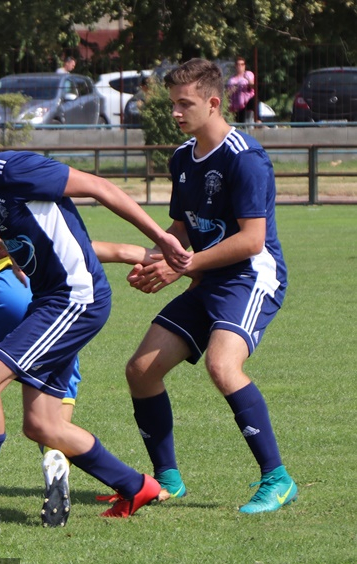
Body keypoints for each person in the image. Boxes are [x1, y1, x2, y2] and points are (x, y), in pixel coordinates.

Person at [0, 121, 192, 524]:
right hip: (51, 300)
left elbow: (100, 187)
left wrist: (160, 238)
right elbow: (40, 233)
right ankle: (137, 487)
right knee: (42, 424)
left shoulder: (16, 170)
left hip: (74, 298)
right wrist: (21, 254)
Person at [0, 210, 160, 526]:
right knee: (42, 422)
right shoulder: (33, 234)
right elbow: (84, 248)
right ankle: (130, 484)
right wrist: (142, 254)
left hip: (9, 296)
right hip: (57, 307)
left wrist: (7, 244)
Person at [125, 58, 297, 514]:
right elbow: (182, 228)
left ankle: (277, 479)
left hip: (251, 276)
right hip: (206, 277)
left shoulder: (245, 158)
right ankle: (167, 479)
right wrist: (157, 260)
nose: (175, 112)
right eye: (173, 103)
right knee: (141, 371)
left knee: (222, 365)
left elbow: (252, 240)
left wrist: (181, 267)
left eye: (185, 103)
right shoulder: (182, 158)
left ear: (214, 103)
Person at [226, 56, 255, 123]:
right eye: (238, 64)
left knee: (254, 101)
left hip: (247, 102)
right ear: (235, 66)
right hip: (236, 105)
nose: (240, 66)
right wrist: (233, 89)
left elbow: (253, 86)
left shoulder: (248, 74)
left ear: (244, 66)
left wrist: (247, 79)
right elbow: (228, 93)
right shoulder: (231, 79)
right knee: (240, 123)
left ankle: (258, 120)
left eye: (242, 64)